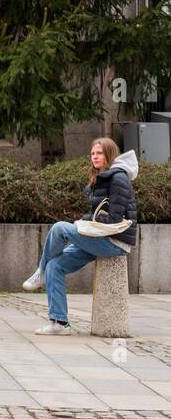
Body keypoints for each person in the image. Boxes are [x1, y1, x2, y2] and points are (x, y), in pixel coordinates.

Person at [23, 137, 139, 335]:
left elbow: (113, 220)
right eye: (93, 153)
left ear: (109, 155)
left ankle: (40, 272)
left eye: (99, 153)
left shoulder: (118, 178)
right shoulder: (102, 177)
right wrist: (88, 222)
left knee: (60, 228)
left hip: (114, 242)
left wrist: (85, 221)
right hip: (100, 238)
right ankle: (59, 323)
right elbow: (100, 216)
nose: (95, 156)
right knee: (55, 265)